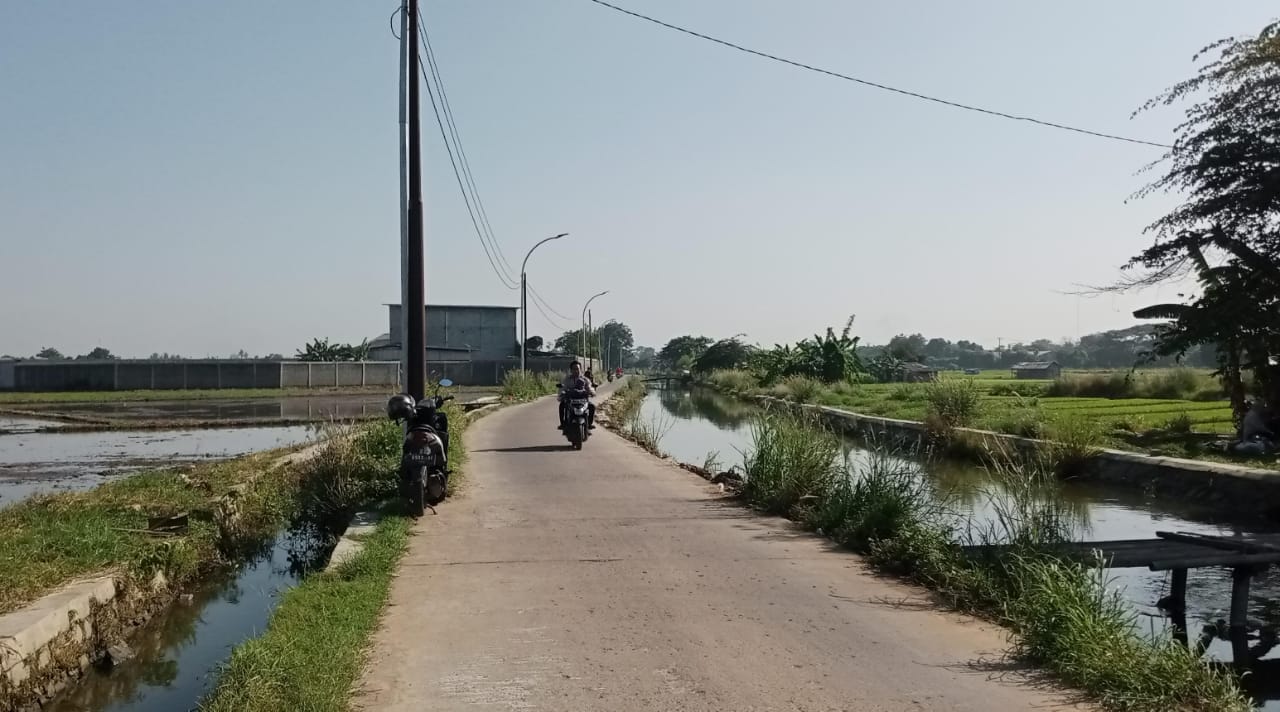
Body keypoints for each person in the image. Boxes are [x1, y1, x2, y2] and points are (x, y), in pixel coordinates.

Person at [559, 361, 597, 430]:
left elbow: (589, 387)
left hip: (583, 401)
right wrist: (562, 394)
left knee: (592, 406)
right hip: (571, 401)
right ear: (571, 370)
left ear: (580, 369)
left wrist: (592, 392)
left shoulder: (585, 379)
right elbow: (563, 388)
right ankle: (563, 424)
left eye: (577, 369)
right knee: (562, 405)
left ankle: (589, 424)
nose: (576, 371)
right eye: (574, 369)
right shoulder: (567, 380)